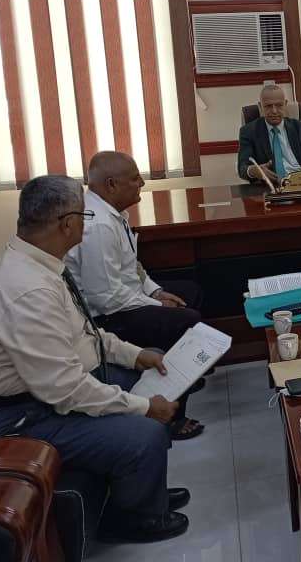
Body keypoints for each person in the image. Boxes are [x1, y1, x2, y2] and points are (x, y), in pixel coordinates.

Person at [0, 175, 191, 543]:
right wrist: (144, 407)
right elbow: (65, 390)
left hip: (38, 398)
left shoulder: (40, 265)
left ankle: (144, 488)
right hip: (12, 420)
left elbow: (86, 335)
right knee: (143, 431)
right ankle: (132, 518)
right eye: (84, 215)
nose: (86, 222)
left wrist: (136, 355)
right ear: (67, 224)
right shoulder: (26, 289)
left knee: (154, 366)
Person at [64, 151, 206, 440]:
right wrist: (156, 304)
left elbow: (132, 269)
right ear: (111, 184)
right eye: (135, 179)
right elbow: (106, 298)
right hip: (107, 317)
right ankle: (172, 416)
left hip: (124, 298)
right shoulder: (98, 226)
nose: (141, 182)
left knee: (191, 292)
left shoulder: (113, 214)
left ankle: (185, 374)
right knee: (185, 320)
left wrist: (156, 291)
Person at [238, 83, 301, 184]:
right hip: (270, 186)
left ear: (285, 104)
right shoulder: (248, 131)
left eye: (279, 105)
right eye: (268, 106)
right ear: (260, 106)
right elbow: (242, 168)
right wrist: (254, 170)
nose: (274, 111)